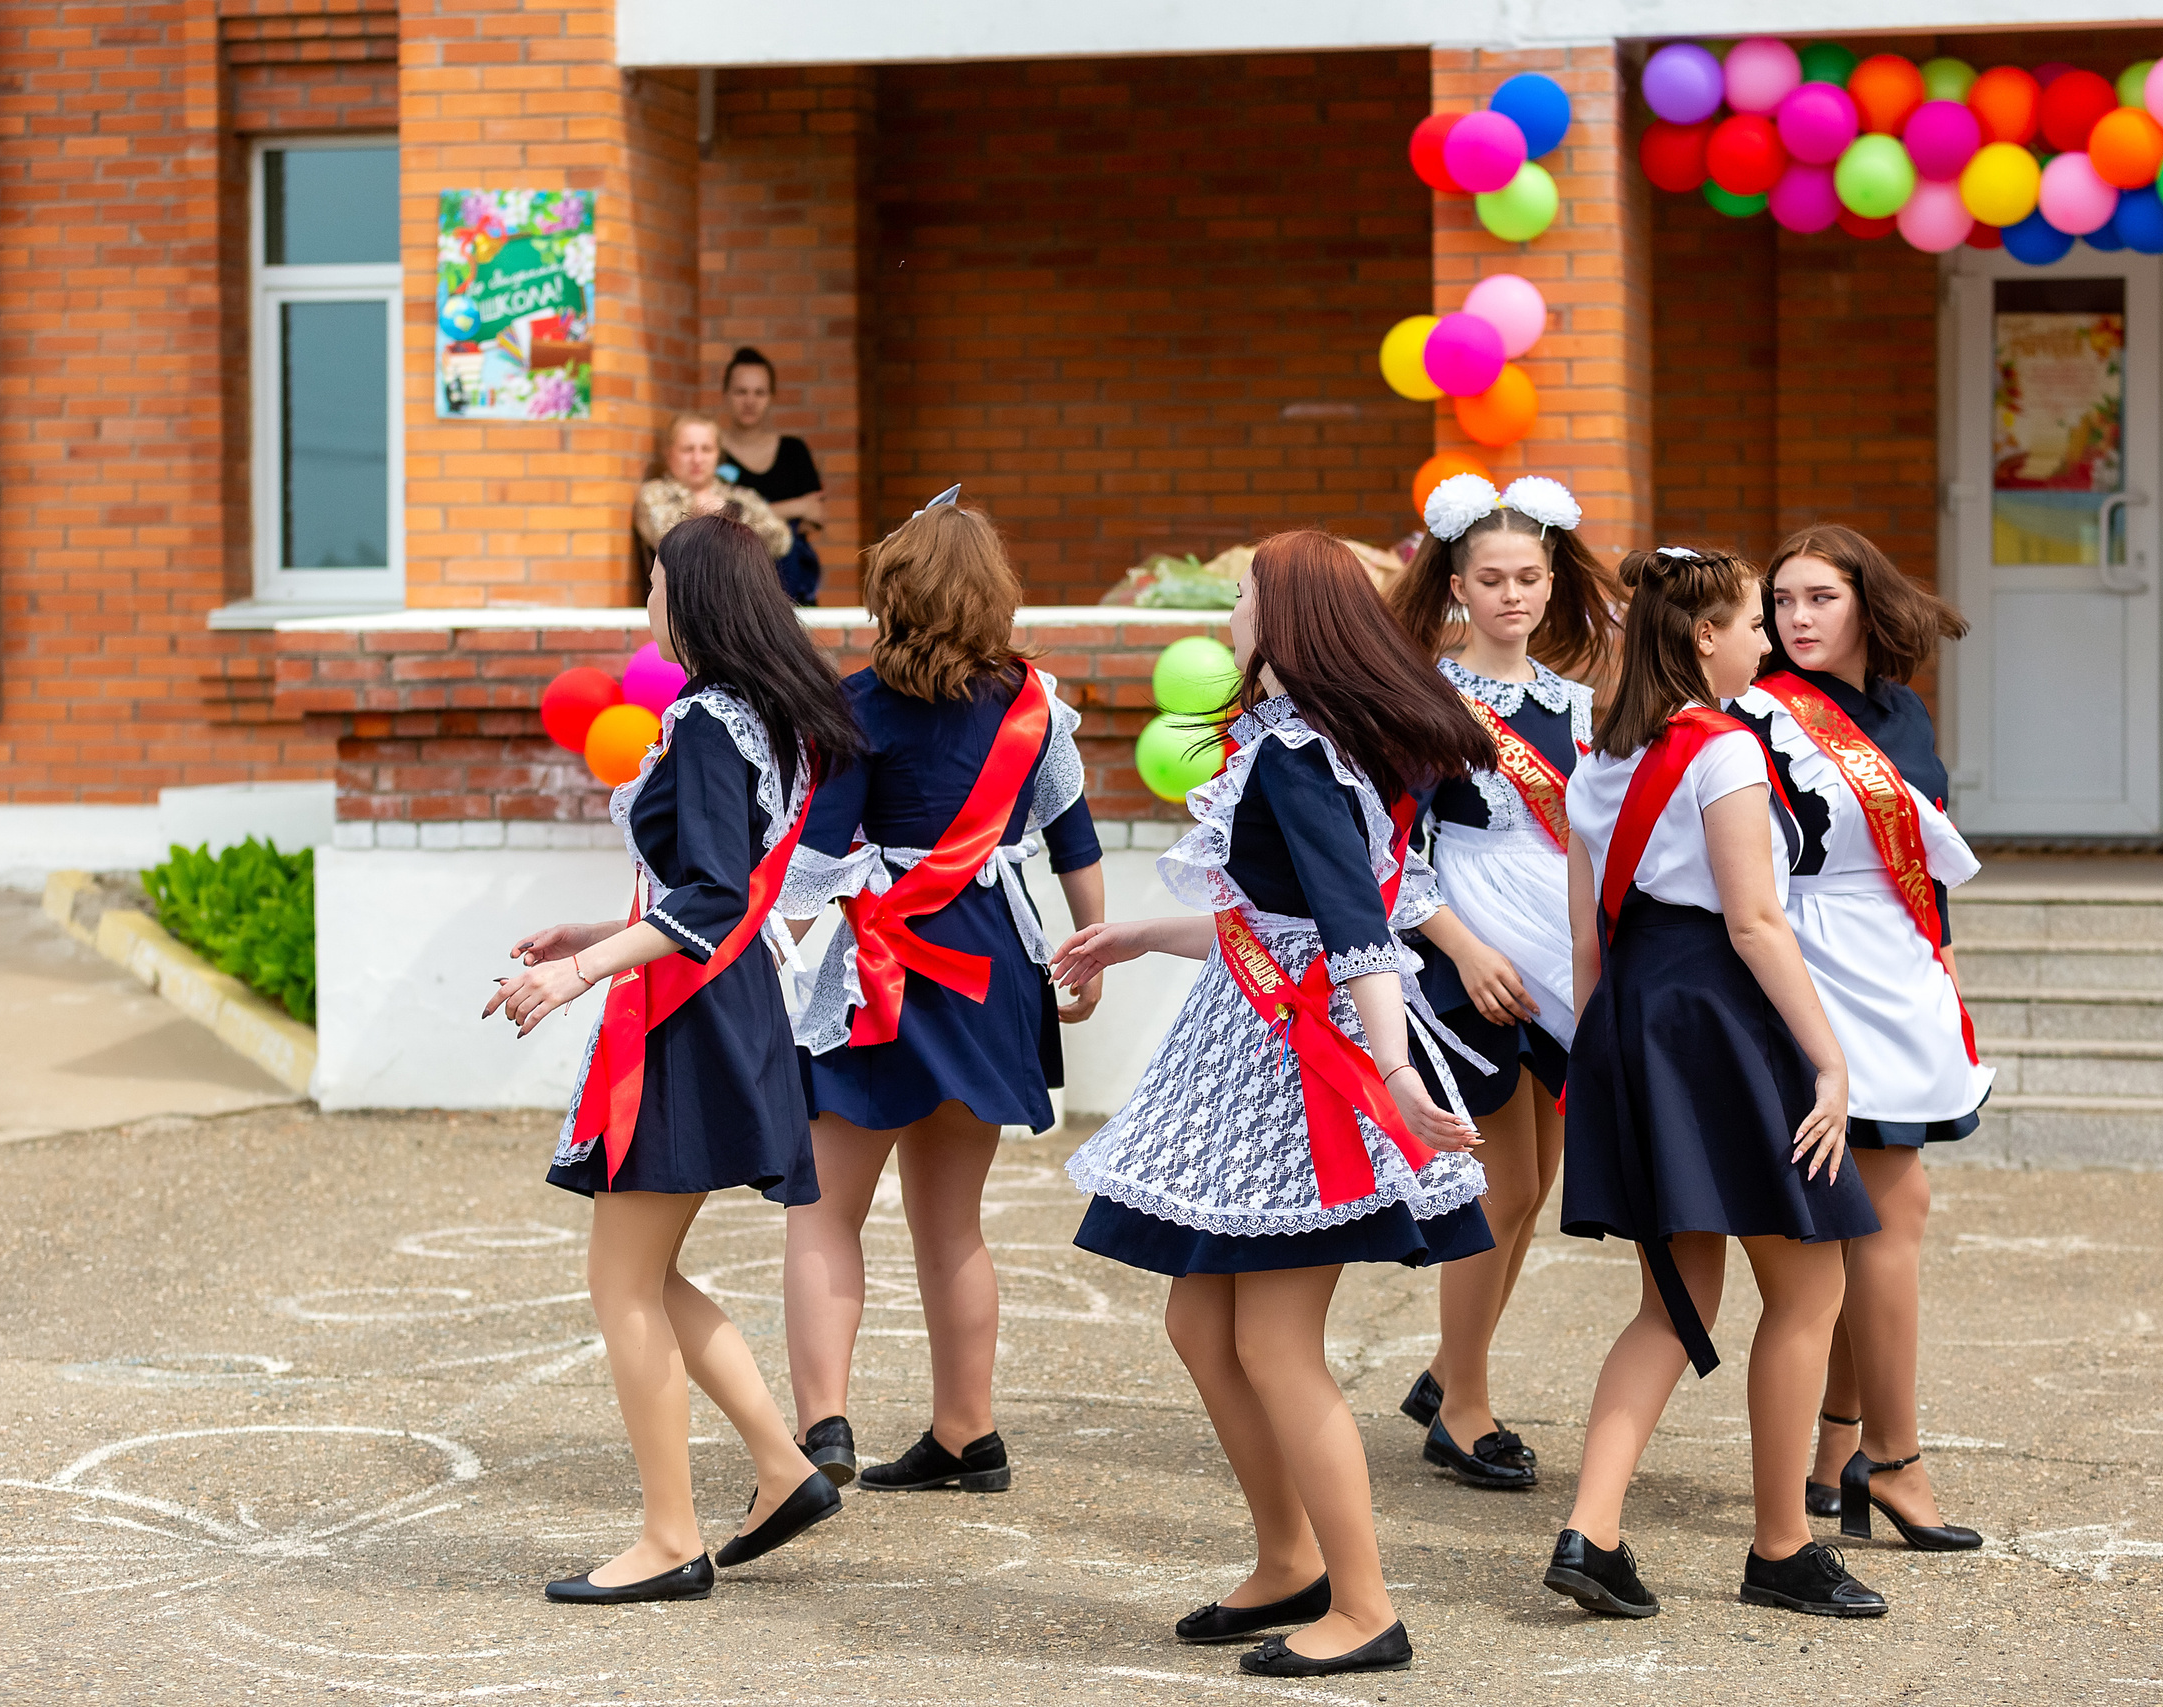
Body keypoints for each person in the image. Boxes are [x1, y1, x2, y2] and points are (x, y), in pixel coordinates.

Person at [1054, 530, 1498, 1680]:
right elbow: (1281, 917)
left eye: (1245, 593)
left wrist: (1396, 1079)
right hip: (1254, 1045)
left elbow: (1356, 933)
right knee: (1201, 1323)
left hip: (1307, 1066)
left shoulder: (1304, 751)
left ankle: (1364, 1605)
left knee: (1273, 1341)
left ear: (1284, 616)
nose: (1233, 612)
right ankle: (1287, 1560)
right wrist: (1144, 932)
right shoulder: (1307, 741)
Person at [485, 512, 866, 1605]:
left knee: (621, 1283)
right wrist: (589, 934)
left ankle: (668, 1538)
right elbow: (716, 884)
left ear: (688, 595)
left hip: (686, 1017)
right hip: (717, 1004)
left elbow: (705, 895)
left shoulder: (706, 718)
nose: (644, 595)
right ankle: (784, 1467)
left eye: (653, 577)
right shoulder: (760, 715)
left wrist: (581, 971)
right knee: (643, 1274)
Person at [1544, 543, 1887, 1623]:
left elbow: (1588, 944)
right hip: (1720, 1018)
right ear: (1702, 638)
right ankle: (1782, 1546)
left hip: (1631, 1021)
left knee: (1673, 1299)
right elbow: (1753, 922)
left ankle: (1589, 1531)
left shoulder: (1597, 758)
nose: (1762, 638)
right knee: (1808, 1286)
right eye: (1748, 623)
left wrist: (1599, 1067)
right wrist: (1828, 1059)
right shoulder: (1726, 751)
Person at [777, 489, 1106, 1500]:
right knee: (951, 1225)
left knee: (825, 1214)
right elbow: (1072, 837)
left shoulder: (851, 702)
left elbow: (816, 864)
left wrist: (780, 952)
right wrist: (1087, 948)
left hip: (881, 969)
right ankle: (968, 1434)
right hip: (990, 963)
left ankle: (821, 1428)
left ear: (893, 595)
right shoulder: (1032, 705)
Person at [1730, 523, 1990, 1555]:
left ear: (1864, 603)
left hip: (1900, 969)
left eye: (1818, 599)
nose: (1796, 619)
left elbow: (1921, 860)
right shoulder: (1749, 718)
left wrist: (1948, 973)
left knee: (1875, 1214)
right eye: (1781, 601)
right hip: (1815, 968)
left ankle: (1844, 1442)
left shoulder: (1905, 711)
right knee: (1884, 1214)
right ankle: (1892, 1457)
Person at [1382, 473, 1618, 1490]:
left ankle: (1450, 1368)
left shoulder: (1576, 702)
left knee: (1535, 1185)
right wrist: (1465, 948)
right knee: (1498, 1181)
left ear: (1553, 577)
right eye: (1491, 578)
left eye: (1528, 576)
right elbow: (1388, 851)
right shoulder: (1423, 700)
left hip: (1562, 949)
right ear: (1456, 586)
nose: (1512, 594)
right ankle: (1463, 1410)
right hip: (1466, 952)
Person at [717, 347, 829, 605]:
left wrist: (748, 519)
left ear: (771, 397)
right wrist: (796, 507)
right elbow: (718, 519)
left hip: (791, 584)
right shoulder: (711, 452)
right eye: (741, 391)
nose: (750, 401)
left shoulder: (793, 451)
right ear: (725, 395)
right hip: (732, 583)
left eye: (759, 392)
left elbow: (816, 517)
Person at [637, 411, 792, 566]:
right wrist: (697, 516)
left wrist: (733, 514)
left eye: (706, 449)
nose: (697, 459)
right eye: (687, 449)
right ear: (669, 452)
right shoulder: (654, 494)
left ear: (718, 454)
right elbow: (669, 544)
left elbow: (782, 541)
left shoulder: (739, 497)